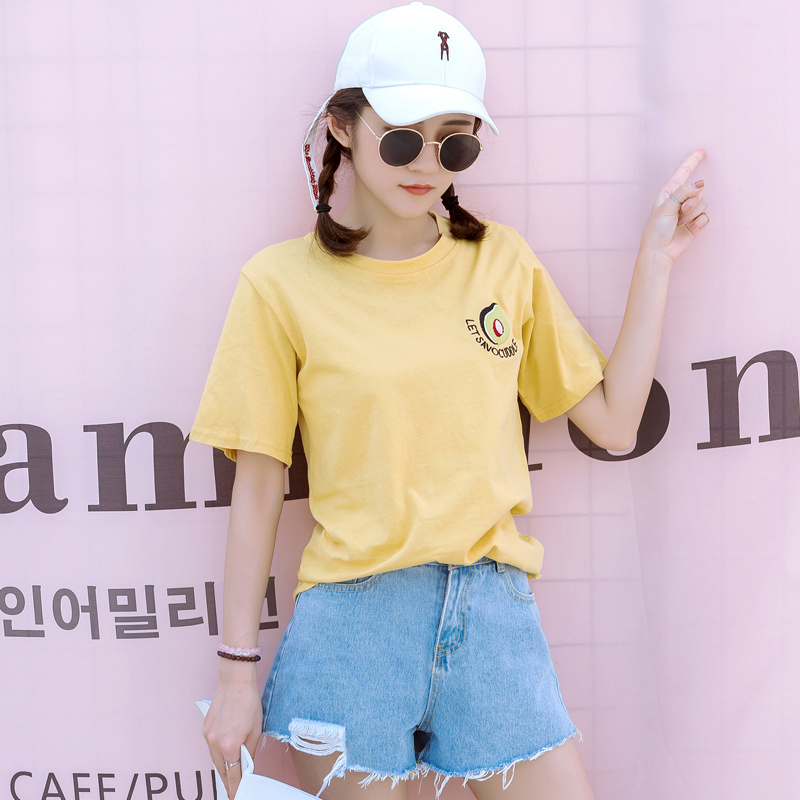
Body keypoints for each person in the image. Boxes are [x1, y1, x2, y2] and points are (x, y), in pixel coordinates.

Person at [188, 3, 709, 799]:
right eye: (403, 138)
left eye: (454, 142)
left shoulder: (500, 263)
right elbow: (257, 488)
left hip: (492, 615)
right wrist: (235, 675)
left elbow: (612, 421)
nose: (427, 164)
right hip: (353, 629)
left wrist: (657, 262)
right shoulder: (278, 284)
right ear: (341, 127)